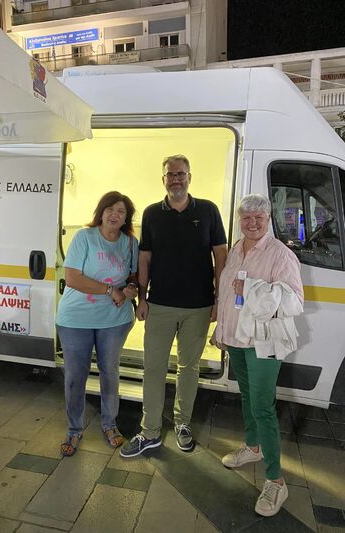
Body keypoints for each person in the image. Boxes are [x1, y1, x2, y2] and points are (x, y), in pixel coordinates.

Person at [121, 155, 227, 457]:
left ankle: (183, 424)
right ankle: (150, 431)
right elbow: (144, 259)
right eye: (171, 175)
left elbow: (221, 256)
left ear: (190, 177)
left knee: (188, 368)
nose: (176, 179)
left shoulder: (208, 210)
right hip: (160, 305)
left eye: (181, 174)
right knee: (153, 369)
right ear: (163, 179)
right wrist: (142, 298)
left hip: (199, 306)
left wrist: (219, 300)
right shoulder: (152, 214)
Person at [211, 193, 304, 517]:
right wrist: (221, 330)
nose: (252, 223)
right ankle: (253, 447)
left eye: (258, 218)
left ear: (268, 220)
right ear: (240, 220)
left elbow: (294, 302)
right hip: (238, 339)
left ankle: (276, 481)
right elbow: (227, 295)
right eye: (246, 218)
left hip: (264, 343)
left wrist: (251, 289)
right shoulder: (237, 249)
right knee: (248, 397)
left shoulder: (280, 254)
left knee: (262, 407)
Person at [56, 191, 138, 456]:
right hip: (75, 319)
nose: (115, 215)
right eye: (110, 209)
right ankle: (74, 429)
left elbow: (133, 276)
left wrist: (131, 289)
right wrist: (109, 290)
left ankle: (109, 424)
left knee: (109, 372)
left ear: (126, 218)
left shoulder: (130, 243)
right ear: (101, 213)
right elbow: (72, 278)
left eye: (121, 211)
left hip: (114, 319)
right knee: (75, 376)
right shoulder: (84, 237)